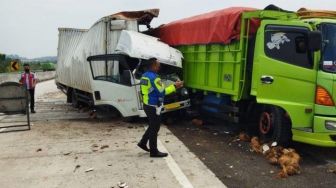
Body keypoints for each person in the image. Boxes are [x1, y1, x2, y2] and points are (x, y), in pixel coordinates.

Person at [138, 57, 183, 158]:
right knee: (155, 127)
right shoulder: (154, 78)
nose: (159, 67)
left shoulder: (144, 76)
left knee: (153, 125)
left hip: (147, 104)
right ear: (153, 66)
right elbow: (163, 92)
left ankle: (142, 142)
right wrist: (175, 86)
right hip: (153, 106)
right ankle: (153, 151)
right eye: (158, 65)